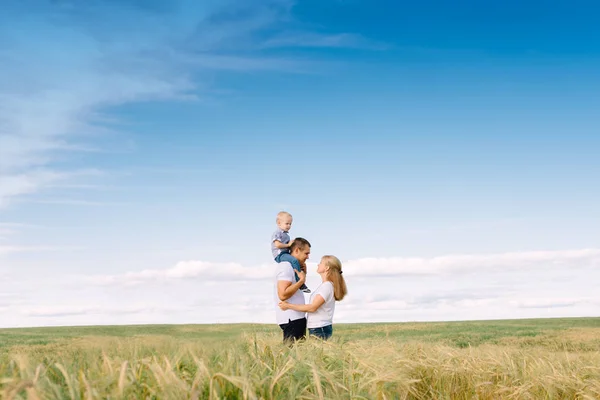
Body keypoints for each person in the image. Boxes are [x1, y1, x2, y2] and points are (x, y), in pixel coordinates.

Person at [279, 255, 347, 340]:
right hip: (319, 328)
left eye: (321, 263)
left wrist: (288, 306)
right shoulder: (327, 285)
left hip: (319, 329)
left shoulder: (326, 286)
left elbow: (312, 307)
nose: (318, 265)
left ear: (327, 268)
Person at [275, 237, 311, 343]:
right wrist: (301, 281)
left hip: (297, 318)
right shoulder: (286, 266)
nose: (308, 257)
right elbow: (282, 295)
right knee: (292, 356)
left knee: (299, 356)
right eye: (306, 253)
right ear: (296, 250)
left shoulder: (293, 266)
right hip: (291, 319)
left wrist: (303, 275)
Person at [271, 211, 310, 293]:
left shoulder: (286, 235)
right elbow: (277, 245)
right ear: (279, 223)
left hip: (285, 253)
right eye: (287, 223)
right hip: (280, 255)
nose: (289, 226)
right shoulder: (277, 233)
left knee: (298, 262)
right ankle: (300, 282)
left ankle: (300, 276)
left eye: (290, 224)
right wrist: (288, 245)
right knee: (294, 260)